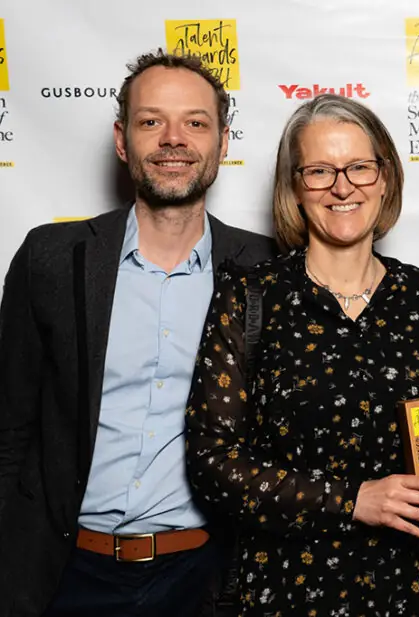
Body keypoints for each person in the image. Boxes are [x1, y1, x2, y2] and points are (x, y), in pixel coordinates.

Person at [184, 93, 419, 617]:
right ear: (294, 188)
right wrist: (353, 501)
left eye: (360, 168)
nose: (343, 187)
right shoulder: (250, 297)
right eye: (320, 171)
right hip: (293, 589)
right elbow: (213, 462)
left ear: (385, 178)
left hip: (416, 588)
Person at [0, 51, 274, 617]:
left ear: (223, 143)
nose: (174, 139)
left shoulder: (265, 270)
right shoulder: (52, 259)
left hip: (205, 578)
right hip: (63, 574)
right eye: (152, 122)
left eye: (196, 123)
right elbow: (10, 428)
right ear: (123, 141)